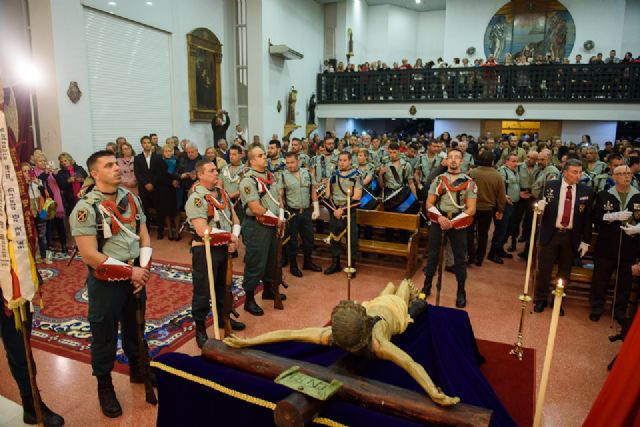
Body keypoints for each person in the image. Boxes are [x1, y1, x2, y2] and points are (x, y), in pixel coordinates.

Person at [223, 279, 459, 406]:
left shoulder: (334, 336)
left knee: (392, 287)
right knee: (403, 285)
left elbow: (289, 333)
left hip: (381, 307)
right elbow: (410, 364)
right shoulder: (376, 343)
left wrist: (249, 341)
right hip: (390, 309)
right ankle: (410, 290)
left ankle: (406, 292)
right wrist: (433, 392)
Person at [70, 150, 153, 417]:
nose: (117, 168)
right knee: (104, 335)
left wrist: (142, 269)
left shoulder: (131, 199)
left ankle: (139, 370)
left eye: (116, 164)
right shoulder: (86, 208)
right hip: (106, 281)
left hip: (135, 275)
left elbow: (144, 236)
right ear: (94, 174)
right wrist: (132, 273)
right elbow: (89, 255)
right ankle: (104, 385)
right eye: (108, 165)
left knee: (135, 327)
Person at [186, 159, 245, 348]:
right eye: (211, 170)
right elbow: (202, 229)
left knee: (224, 287)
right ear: (200, 175)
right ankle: (200, 328)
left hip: (225, 247)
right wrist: (230, 237)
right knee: (203, 291)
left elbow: (235, 219)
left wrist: (234, 238)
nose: (216, 173)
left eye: (216, 170)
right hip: (205, 249)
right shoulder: (196, 198)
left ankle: (223, 319)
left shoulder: (222, 193)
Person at [533, 159, 593, 313]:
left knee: (565, 271)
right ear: (565, 172)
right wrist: (540, 208)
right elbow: (539, 205)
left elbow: (588, 218)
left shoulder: (586, 191)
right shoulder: (550, 186)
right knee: (545, 269)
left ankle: (558, 300)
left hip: (571, 236)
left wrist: (586, 241)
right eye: (574, 172)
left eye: (580, 172)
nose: (578, 175)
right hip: (551, 233)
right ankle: (541, 299)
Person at [1, 284, 65, 425]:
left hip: (15, 282)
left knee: (20, 343)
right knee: (17, 345)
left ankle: (31, 404)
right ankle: (31, 404)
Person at [424, 148, 477, 308]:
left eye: (457, 157)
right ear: (446, 160)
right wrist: (440, 218)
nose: (453, 160)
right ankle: (427, 285)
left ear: (462, 161)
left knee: (460, 258)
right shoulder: (438, 180)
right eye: (450, 157)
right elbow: (429, 203)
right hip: (439, 219)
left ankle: (461, 290)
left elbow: (471, 209)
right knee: (432, 254)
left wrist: (452, 222)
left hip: (458, 221)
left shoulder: (469, 182)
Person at [589, 165, 640, 323]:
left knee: (624, 281)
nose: (627, 176)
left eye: (629, 173)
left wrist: (637, 228)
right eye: (623, 173)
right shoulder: (604, 195)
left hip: (629, 246)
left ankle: (619, 311)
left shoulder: (638, 196)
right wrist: (613, 216)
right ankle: (597, 307)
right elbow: (596, 218)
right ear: (614, 176)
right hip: (607, 244)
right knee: (600, 279)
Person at [239, 146, 285, 316]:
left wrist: (281, 218)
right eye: (260, 155)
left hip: (273, 224)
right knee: (255, 262)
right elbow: (255, 208)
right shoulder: (248, 180)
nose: (265, 157)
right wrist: (277, 221)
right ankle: (249, 300)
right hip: (256, 226)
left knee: (271, 260)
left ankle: (268, 289)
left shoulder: (270, 176)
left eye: (264, 154)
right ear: (252, 161)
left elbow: (278, 199)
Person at [279, 152, 322, 276]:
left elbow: (313, 191)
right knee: (292, 241)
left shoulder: (307, 173)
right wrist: (281, 214)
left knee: (309, 239)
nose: (290, 165)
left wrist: (316, 208)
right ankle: (293, 266)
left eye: (292, 162)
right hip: (292, 213)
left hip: (306, 212)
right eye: (287, 163)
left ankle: (308, 262)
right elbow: (280, 196)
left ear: (298, 161)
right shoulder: (283, 176)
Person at [324, 152, 362, 276]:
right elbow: (328, 195)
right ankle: (335, 264)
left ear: (350, 161)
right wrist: (336, 210)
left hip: (349, 211)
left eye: (345, 160)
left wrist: (342, 210)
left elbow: (357, 196)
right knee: (335, 237)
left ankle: (351, 266)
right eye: (340, 160)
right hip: (335, 211)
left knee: (352, 239)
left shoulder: (356, 175)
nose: (342, 162)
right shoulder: (333, 175)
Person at [469, 151, 506, 265]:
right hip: (487, 209)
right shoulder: (497, 175)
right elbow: (501, 195)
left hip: (471, 208)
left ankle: (470, 255)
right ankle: (479, 258)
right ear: (493, 162)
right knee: (483, 234)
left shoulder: (472, 173)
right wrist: (500, 210)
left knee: (469, 232)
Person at [33, 152, 68, 254]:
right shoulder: (33, 172)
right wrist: (46, 173)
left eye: (45, 161)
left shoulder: (52, 171)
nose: (43, 163)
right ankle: (46, 247)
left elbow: (63, 185)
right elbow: (39, 181)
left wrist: (56, 174)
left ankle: (64, 245)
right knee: (45, 226)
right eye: (40, 161)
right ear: (35, 163)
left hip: (56, 203)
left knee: (60, 224)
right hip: (42, 204)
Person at [134, 135, 164, 237]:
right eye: (144, 143)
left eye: (148, 142)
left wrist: (152, 184)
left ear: (151, 144)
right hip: (144, 188)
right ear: (141, 145)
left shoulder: (158, 157)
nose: (147, 144)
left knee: (159, 209)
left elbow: (159, 172)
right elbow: (138, 173)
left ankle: (160, 231)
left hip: (156, 187)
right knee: (145, 210)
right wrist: (146, 184)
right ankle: (146, 230)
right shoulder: (137, 158)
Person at [493, 153, 520, 258]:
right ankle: (494, 252)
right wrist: (504, 196)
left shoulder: (514, 172)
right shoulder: (502, 171)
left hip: (514, 205)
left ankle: (500, 249)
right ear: (506, 161)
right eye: (513, 161)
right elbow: (498, 188)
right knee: (501, 229)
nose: (516, 163)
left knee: (509, 229)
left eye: (516, 161)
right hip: (504, 205)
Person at [158, 144, 181, 240]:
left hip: (176, 189)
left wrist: (177, 180)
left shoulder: (177, 161)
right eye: (166, 151)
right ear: (163, 152)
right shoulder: (159, 162)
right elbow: (159, 176)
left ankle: (177, 232)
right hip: (164, 189)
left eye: (170, 151)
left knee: (176, 210)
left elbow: (180, 172)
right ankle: (170, 232)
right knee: (167, 211)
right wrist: (171, 181)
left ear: (173, 152)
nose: (168, 153)